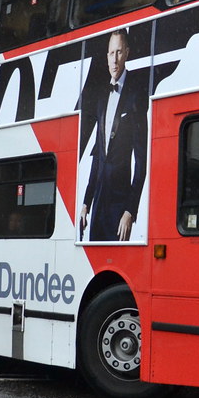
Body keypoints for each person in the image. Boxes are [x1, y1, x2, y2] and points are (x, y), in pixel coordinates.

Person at [79, 29, 148, 242]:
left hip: (119, 208)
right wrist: (86, 203)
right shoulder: (101, 98)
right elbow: (98, 156)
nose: (115, 60)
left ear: (127, 53)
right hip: (98, 203)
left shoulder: (136, 95)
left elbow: (141, 161)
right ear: (106, 57)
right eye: (111, 53)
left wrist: (130, 210)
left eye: (119, 52)